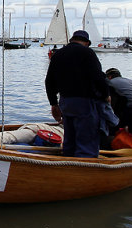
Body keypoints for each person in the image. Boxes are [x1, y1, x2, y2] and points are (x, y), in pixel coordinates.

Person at [45, 30, 111, 158]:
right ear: (86, 43)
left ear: (71, 40)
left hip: (65, 102)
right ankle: (84, 169)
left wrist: (53, 104)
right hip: (85, 102)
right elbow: (98, 77)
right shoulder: (88, 53)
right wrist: (106, 94)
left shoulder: (58, 55)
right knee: (87, 140)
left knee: (70, 138)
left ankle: (69, 164)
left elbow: (49, 81)